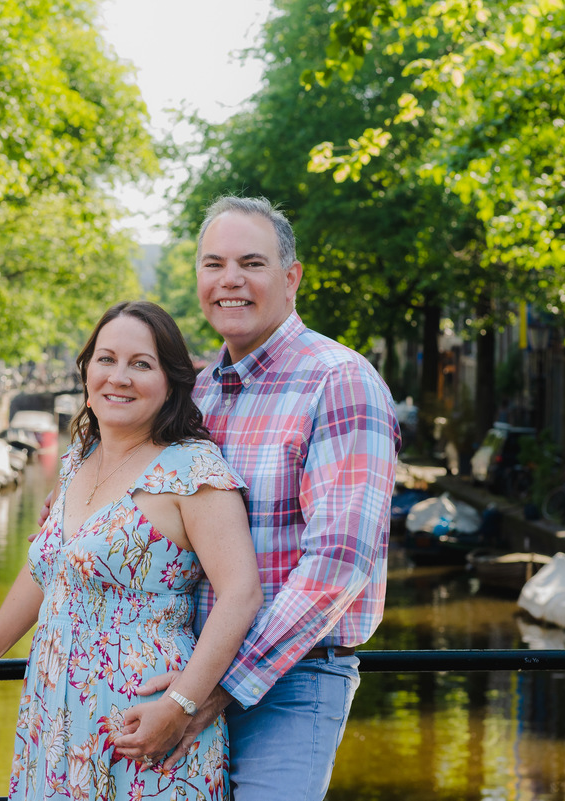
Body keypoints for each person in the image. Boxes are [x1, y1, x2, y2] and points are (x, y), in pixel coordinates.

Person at [121, 196, 401, 801]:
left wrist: (213, 690)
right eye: (213, 264)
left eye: (251, 262)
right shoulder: (194, 393)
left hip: (292, 680)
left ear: (291, 277)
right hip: (181, 673)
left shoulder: (340, 381)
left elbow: (337, 566)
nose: (230, 281)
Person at [0, 300, 262, 800]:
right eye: (106, 359)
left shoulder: (193, 469)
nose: (119, 377)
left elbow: (240, 594)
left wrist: (180, 704)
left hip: (142, 721)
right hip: (55, 711)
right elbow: (48, 573)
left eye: (141, 364)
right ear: (86, 370)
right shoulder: (77, 461)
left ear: (172, 380)